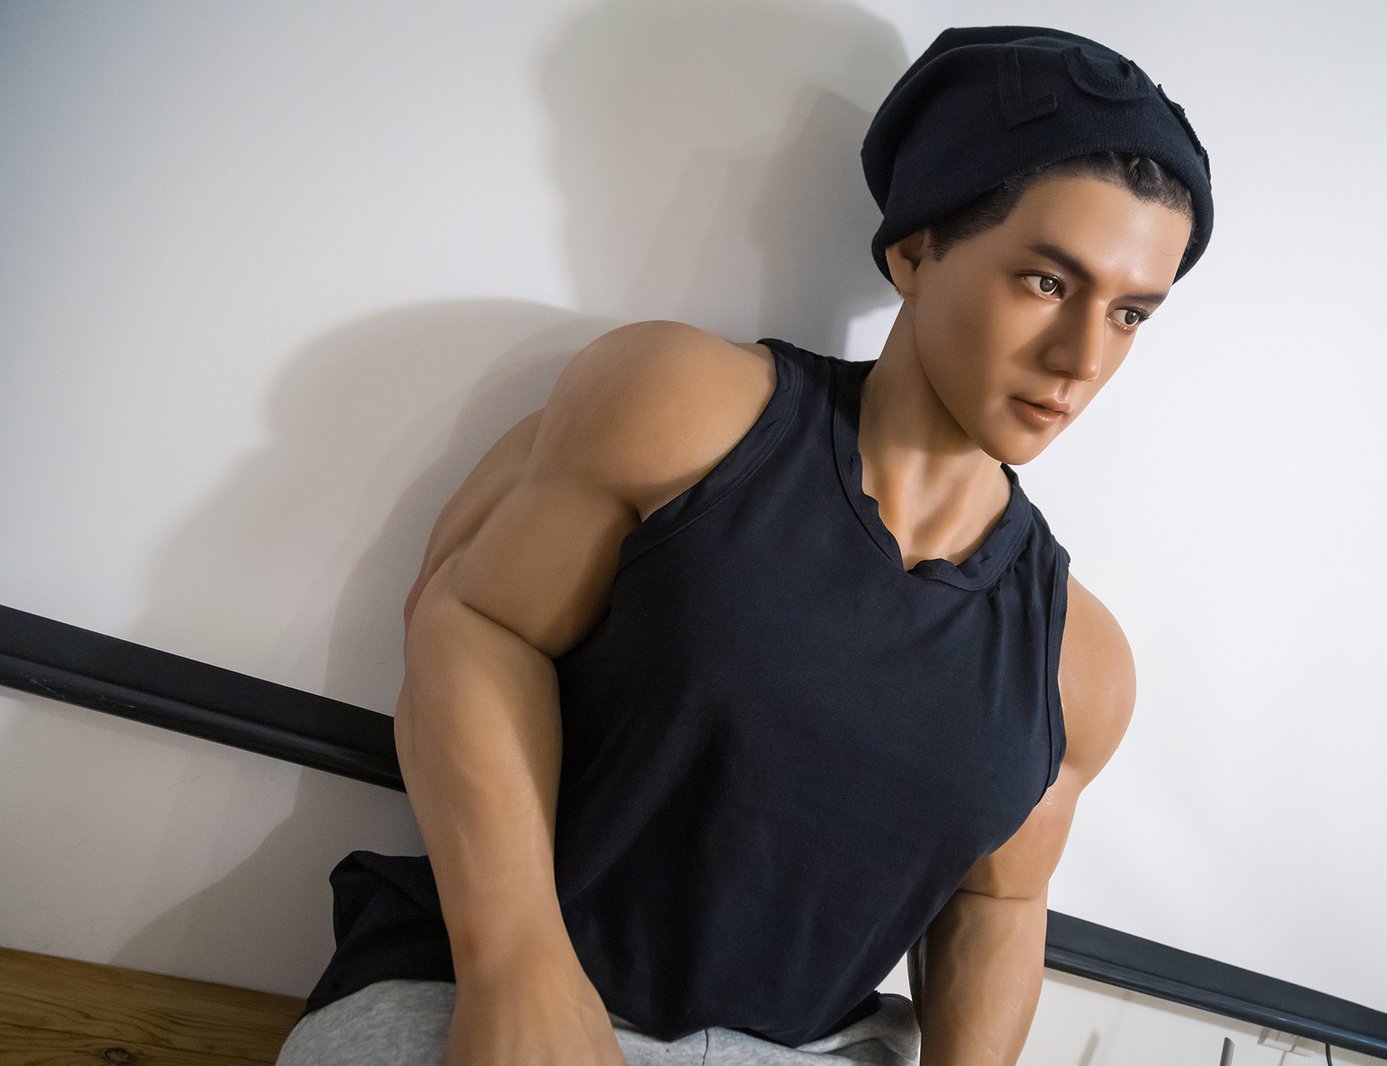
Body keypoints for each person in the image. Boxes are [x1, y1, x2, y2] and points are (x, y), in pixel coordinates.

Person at [274, 23, 1213, 1066]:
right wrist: (517, 964)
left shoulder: (1079, 661)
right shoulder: (691, 414)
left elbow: (999, 905)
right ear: (915, 251)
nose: (1083, 358)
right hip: (488, 985)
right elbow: (472, 624)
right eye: (1046, 282)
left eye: (1130, 314)